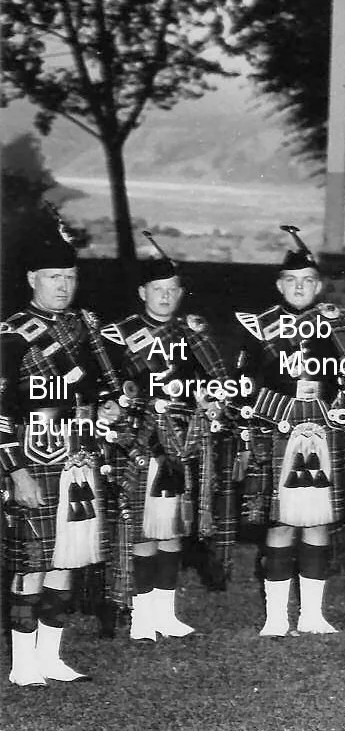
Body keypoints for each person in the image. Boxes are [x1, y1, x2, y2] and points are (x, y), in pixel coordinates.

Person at [231, 226, 345, 638]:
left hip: (327, 431)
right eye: (292, 281)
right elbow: (243, 385)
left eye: (308, 282)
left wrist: (339, 416)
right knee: (280, 523)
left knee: (319, 522)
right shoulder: (260, 326)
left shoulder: (339, 323)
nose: (300, 288)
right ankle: (276, 617)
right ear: (280, 285)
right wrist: (264, 424)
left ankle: (313, 615)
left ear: (319, 285)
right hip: (277, 431)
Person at [2, 215, 125, 685]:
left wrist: (110, 408)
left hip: (80, 458)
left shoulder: (84, 327)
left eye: (70, 277)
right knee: (30, 564)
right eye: (53, 276)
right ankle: (22, 664)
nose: (63, 285)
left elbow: (106, 388)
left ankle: (51, 657)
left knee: (67, 559)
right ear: (32, 279)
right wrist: (16, 472)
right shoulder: (11, 335)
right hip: (33, 457)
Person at [101, 233, 238, 643]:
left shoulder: (194, 332)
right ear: (143, 291)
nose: (165, 297)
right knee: (144, 530)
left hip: (186, 441)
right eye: (157, 290)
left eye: (172, 290)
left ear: (181, 293)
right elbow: (108, 390)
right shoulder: (118, 334)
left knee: (175, 529)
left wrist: (215, 405)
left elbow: (222, 382)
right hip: (139, 441)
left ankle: (166, 612)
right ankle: (142, 615)